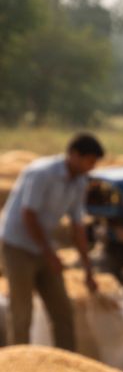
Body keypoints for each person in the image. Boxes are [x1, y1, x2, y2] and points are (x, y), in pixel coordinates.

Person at [0, 133, 104, 349]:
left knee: (63, 311)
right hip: (16, 245)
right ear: (74, 155)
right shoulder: (41, 173)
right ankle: (19, 367)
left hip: (43, 247)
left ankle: (67, 363)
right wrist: (49, 254)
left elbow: (78, 227)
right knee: (22, 313)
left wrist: (88, 271)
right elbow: (28, 215)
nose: (91, 167)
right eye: (89, 161)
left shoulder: (79, 182)